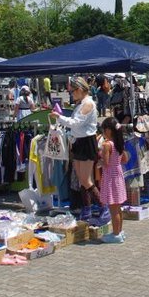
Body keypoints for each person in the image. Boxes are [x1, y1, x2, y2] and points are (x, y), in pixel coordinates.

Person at [51, 76, 103, 223]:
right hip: (79, 142)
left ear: (79, 90)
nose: (71, 94)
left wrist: (59, 117)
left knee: (86, 180)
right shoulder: (81, 104)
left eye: (72, 91)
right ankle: (86, 208)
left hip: (87, 142)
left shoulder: (88, 103)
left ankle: (102, 206)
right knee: (81, 179)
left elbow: (76, 123)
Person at [98, 117, 128, 244]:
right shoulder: (118, 143)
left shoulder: (107, 145)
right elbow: (125, 159)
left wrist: (98, 161)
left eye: (104, 130)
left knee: (113, 208)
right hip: (118, 176)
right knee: (118, 207)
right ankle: (119, 231)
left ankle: (115, 234)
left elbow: (105, 163)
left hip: (110, 177)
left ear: (109, 131)